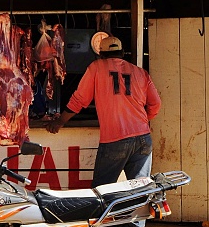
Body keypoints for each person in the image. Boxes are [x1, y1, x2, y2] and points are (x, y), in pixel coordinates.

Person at [46, 36, 161, 187]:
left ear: (100, 54)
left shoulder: (96, 67)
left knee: (102, 191)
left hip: (115, 139)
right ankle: (143, 210)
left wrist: (60, 121)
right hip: (142, 138)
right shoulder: (140, 73)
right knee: (141, 190)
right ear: (123, 52)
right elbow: (156, 104)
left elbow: (79, 99)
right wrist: (143, 121)